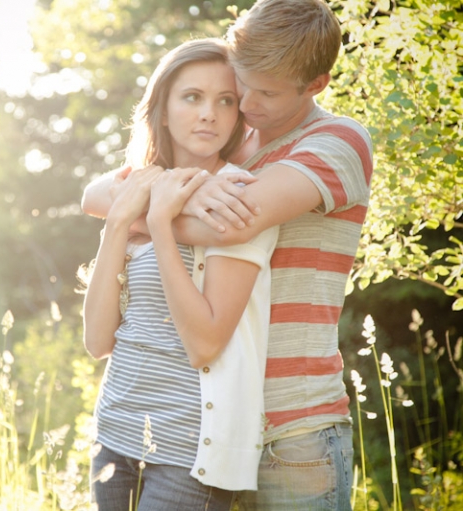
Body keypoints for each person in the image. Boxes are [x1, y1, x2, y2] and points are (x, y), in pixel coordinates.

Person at [82, 0, 374, 509]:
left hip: (293, 428)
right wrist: (180, 189)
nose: (246, 101)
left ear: (315, 85)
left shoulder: (335, 143)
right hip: (210, 418)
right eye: (243, 81)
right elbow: (95, 193)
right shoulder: (233, 144)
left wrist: (159, 203)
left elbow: (232, 223)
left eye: (267, 91)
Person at [82, 37, 279, 511]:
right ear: (164, 110)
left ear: (237, 116)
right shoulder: (136, 186)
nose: (209, 113)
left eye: (225, 101)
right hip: (115, 432)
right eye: (193, 97)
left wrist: (159, 227)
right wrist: (117, 224)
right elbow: (97, 341)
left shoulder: (239, 195)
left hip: (190, 453)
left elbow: (206, 343)